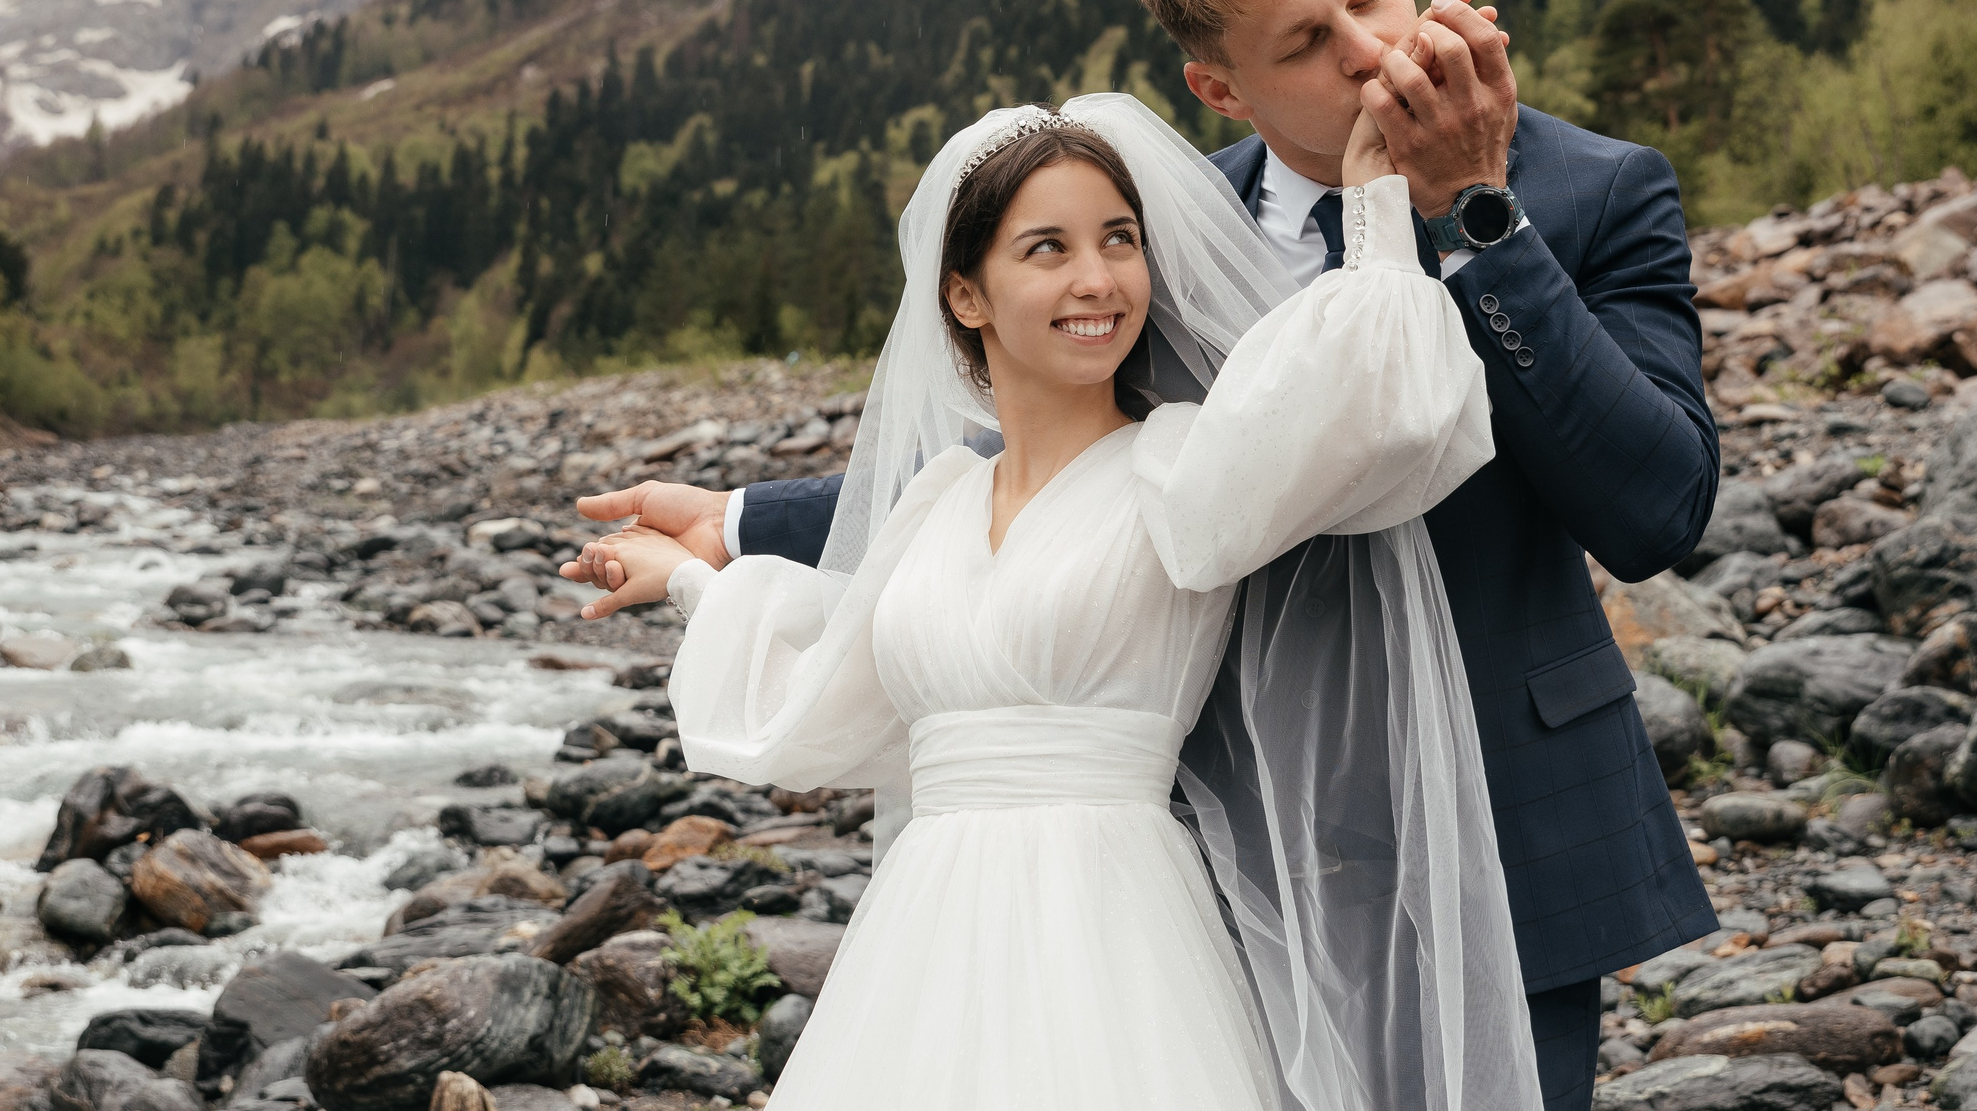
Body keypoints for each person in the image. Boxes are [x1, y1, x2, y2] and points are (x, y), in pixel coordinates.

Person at [580, 0, 1721, 1111]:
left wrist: (1478, 213)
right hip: (1217, 844)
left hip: (1499, 824)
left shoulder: (1596, 190)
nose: (1364, 51)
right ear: (1218, 88)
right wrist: (740, 523)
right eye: (1302, 44)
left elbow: (1657, 506)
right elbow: (1051, 477)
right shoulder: (1159, 242)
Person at [569, 95, 1537, 1111]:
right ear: (967, 295)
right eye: (1048, 248)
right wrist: (682, 577)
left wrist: (1377, 209)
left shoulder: (1180, 470)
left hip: (1117, 937)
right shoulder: (936, 503)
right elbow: (826, 695)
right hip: (921, 949)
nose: (1098, 279)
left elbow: (1372, 407)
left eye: (1119, 240)